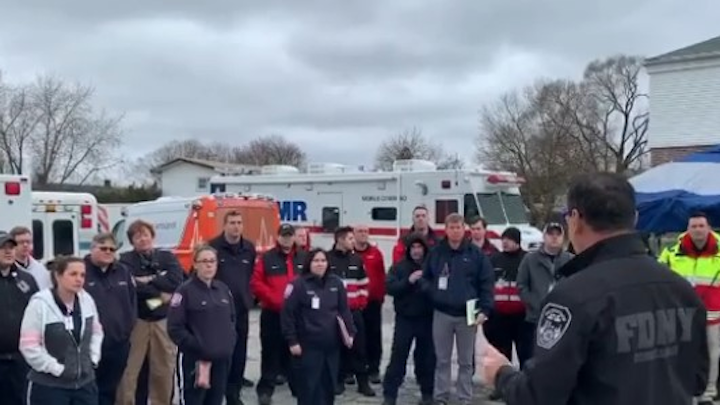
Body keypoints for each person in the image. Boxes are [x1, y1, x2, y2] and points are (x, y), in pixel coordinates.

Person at [482, 172, 710, 405]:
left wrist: (501, 374)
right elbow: (697, 381)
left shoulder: (572, 298)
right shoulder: (682, 290)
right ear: (635, 218)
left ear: (575, 220)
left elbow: (539, 395)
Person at [420, 213, 494, 405]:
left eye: (458, 227)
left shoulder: (476, 254)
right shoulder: (436, 253)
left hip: (467, 313)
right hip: (442, 313)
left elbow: (486, 283)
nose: (455, 231)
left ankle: (464, 397)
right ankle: (441, 396)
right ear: (446, 229)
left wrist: (485, 309)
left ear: (464, 229)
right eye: (451, 227)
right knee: (442, 359)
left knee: (466, 361)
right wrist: (433, 293)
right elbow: (425, 278)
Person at [20, 256, 104, 405]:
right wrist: (57, 369)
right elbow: (29, 346)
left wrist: (92, 359)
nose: (79, 279)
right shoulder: (40, 304)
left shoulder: (87, 300)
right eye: (73, 274)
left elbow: (96, 332)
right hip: (50, 387)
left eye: (82, 275)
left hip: (85, 385)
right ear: (58, 276)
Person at [118, 220, 184, 405]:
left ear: (152, 236)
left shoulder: (167, 257)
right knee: (129, 371)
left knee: (163, 370)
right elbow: (133, 288)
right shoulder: (125, 261)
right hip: (137, 320)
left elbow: (176, 281)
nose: (142, 239)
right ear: (132, 241)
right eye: (137, 236)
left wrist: (148, 280)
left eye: (145, 234)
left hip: (162, 321)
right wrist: (160, 294)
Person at [659, 211, 720, 405]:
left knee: (713, 352)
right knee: (682, 351)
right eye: (694, 226)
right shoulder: (671, 252)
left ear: (709, 228)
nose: (698, 230)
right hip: (682, 313)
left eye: (701, 226)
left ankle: (709, 392)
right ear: (688, 229)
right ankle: (684, 390)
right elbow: (659, 278)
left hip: (714, 312)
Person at [281, 248, 356, 405]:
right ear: (309, 263)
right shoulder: (298, 284)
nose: (320, 264)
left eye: (323, 260)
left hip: (331, 346)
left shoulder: (336, 283)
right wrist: (292, 341)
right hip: (308, 346)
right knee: (309, 388)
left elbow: (344, 310)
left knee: (328, 387)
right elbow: (288, 315)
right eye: (316, 261)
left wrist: (350, 332)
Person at [168, 245, 237, 405]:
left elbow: (232, 319)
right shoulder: (184, 292)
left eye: (212, 261)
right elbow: (175, 328)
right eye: (204, 261)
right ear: (195, 264)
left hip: (221, 361)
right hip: (195, 361)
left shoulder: (223, 289)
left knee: (215, 400)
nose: (209, 265)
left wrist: (229, 342)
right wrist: (198, 346)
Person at [251, 223, 306, 404]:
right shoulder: (267, 258)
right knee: (270, 353)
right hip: (272, 314)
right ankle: (266, 390)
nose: (287, 238)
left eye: (290, 235)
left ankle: (299, 389)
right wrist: (275, 299)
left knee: (296, 353)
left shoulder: (304, 257)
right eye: (284, 235)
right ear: (278, 236)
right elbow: (256, 283)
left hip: (296, 316)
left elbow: (310, 281)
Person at [208, 210, 257, 405]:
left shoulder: (249, 248)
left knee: (239, 351)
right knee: (220, 351)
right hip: (218, 310)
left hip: (242, 309)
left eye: (239, 222)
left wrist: (250, 297)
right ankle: (216, 391)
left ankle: (233, 393)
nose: (236, 226)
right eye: (232, 223)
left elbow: (252, 274)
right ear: (225, 225)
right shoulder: (213, 247)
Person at [84, 233, 137, 405]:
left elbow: (132, 302)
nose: (108, 252)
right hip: (89, 346)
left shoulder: (123, 272)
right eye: (103, 248)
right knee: (89, 391)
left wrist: (127, 330)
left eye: (112, 249)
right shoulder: (81, 272)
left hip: (118, 345)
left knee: (110, 391)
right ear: (92, 249)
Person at [382, 234, 435, 405]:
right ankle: (390, 395)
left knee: (427, 358)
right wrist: (409, 281)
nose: (416, 251)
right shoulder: (399, 267)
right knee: (398, 356)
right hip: (405, 319)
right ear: (408, 250)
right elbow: (390, 287)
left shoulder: (432, 267)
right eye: (413, 247)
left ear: (424, 249)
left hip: (427, 319)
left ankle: (427, 393)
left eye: (419, 247)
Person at [327, 226, 375, 396]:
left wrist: (361, 302)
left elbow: (364, 283)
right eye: (350, 239)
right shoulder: (327, 259)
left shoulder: (357, 259)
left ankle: (363, 382)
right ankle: (338, 381)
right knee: (336, 348)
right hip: (333, 313)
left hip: (354, 311)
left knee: (359, 347)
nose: (353, 242)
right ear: (339, 239)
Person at [516, 222, 573, 359]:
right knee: (532, 357)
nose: (554, 237)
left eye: (557, 234)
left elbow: (577, 286)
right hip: (535, 318)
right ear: (544, 236)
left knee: (558, 358)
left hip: (563, 319)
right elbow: (521, 285)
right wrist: (534, 303)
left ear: (563, 237)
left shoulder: (571, 260)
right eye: (550, 234)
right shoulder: (530, 259)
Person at [0, 230, 39, 405]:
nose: (8, 251)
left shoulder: (27, 280)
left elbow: (40, 314)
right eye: (2, 247)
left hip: (21, 361)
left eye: (11, 247)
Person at [353, 224, 386, 384]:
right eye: (360, 231)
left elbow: (381, 275)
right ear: (354, 234)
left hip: (372, 302)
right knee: (355, 336)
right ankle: (352, 369)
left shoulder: (376, 253)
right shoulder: (349, 253)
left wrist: (380, 297)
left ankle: (374, 369)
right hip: (354, 302)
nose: (363, 234)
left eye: (366, 232)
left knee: (374, 336)